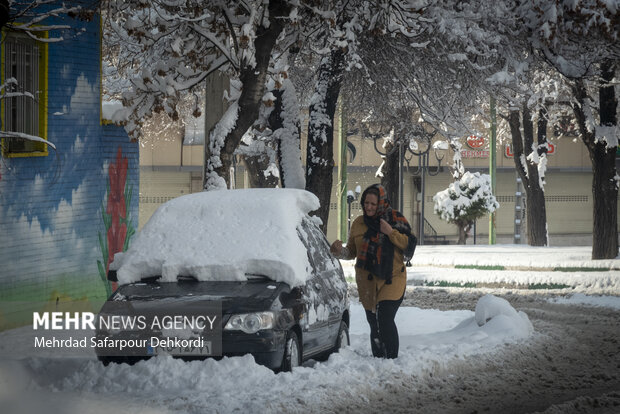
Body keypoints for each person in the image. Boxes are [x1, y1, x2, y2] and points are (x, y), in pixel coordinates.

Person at [330, 184, 415, 359]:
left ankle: (391, 359)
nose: (368, 207)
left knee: (384, 317)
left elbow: (408, 246)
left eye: (373, 204)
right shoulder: (359, 224)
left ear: (381, 204)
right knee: (373, 323)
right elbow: (352, 252)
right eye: (366, 203)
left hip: (392, 277)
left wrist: (390, 232)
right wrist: (339, 252)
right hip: (367, 280)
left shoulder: (395, 219)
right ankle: (378, 360)